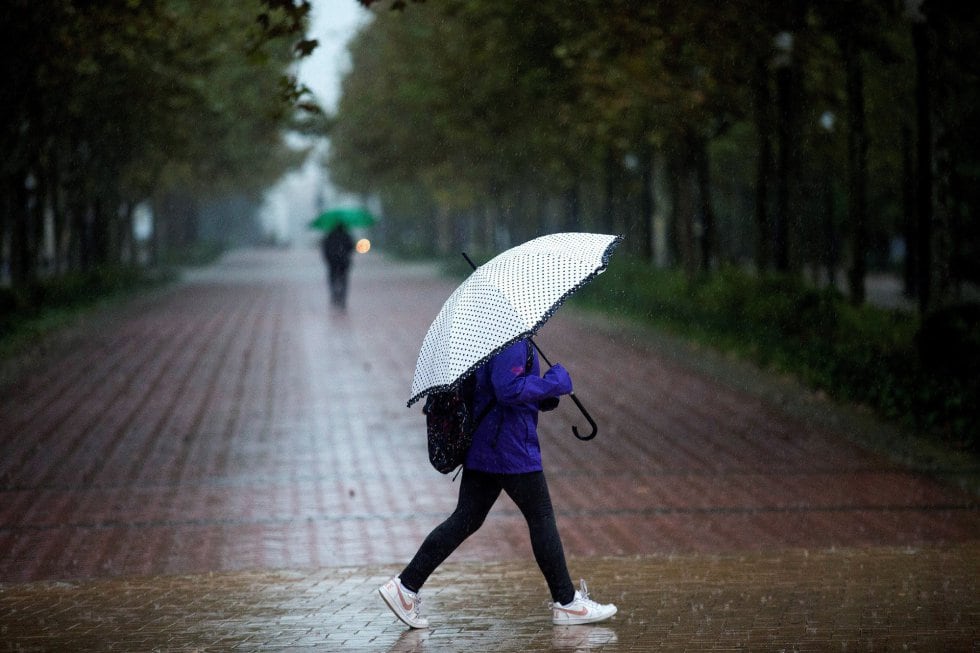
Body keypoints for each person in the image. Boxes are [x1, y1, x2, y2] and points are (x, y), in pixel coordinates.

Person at [379, 339, 617, 629]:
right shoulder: (511, 341)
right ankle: (567, 603)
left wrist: (547, 393)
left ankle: (405, 587)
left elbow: (502, 386)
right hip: (509, 446)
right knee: (540, 516)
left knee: (466, 519)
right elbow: (508, 389)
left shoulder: (499, 337)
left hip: (487, 444)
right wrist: (553, 385)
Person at [320, 224, 355, 307]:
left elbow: (325, 248)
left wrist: (328, 259)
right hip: (344, 262)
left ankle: (334, 294)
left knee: (332, 278)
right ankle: (342, 297)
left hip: (333, 262)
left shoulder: (329, 236)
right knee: (344, 279)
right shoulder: (347, 235)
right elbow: (351, 247)